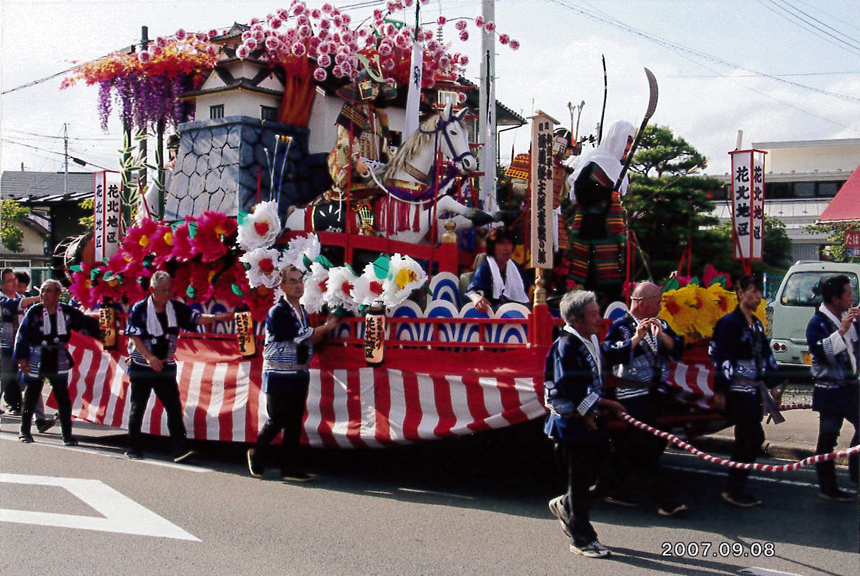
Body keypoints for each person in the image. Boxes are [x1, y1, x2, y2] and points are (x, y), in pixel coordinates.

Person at [544, 289, 626, 559]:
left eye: (597, 313)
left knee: (606, 471)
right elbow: (567, 385)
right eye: (593, 315)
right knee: (580, 481)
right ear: (576, 320)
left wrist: (604, 404)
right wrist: (588, 413)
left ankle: (567, 506)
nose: (599, 319)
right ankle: (581, 538)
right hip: (572, 424)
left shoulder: (588, 339)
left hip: (590, 416)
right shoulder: (567, 345)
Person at [125, 270, 233, 462]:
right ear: (152, 290)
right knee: (138, 407)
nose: (167, 294)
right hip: (142, 366)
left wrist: (216, 318)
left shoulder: (174, 308)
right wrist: (149, 357)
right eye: (163, 290)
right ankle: (133, 447)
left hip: (165, 365)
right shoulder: (140, 309)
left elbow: (195, 318)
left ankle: (179, 449)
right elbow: (135, 336)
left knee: (173, 407)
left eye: (169, 290)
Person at [601, 281, 687, 516]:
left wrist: (663, 338)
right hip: (632, 393)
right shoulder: (622, 325)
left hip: (656, 392)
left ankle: (612, 487)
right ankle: (665, 501)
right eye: (656, 302)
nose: (660, 307)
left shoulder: (663, 324)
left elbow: (678, 349)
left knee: (647, 443)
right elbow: (610, 352)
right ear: (641, 303)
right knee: (645, 444)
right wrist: (637, 338)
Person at [247, 265, 339, 481]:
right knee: (278, 418)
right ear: (282, 286)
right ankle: (257, 452)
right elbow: (300, 335)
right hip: (279, 372)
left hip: (299, 372)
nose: (298, 285)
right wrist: (327, 326)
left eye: (300, 281)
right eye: (292, 281)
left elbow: (307, 338)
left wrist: (326, 329)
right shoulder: (278, 311)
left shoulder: (301, 311)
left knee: (294, 421)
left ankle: (289, 468)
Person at [709, 275, 782, 507]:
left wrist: (774, 385)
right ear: (739, 293)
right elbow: (722, 358)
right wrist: (720, 390)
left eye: (759, 293)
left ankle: (735, 486)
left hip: (753, 390)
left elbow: (766, 356)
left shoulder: (757, 324)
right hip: (736, 390)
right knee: (750, 436)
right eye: (752, 292)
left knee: (751, 437)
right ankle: (733, 488)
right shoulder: (730, 323)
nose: (757, 297)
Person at [13, 279, 100, 445]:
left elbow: (86, 323)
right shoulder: (34, 311)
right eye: (42, 291)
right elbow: (22, 335)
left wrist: (105, 327)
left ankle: (67, 435)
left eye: (48, 291)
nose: (44, 294)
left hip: (58, 357)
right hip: (37, 356)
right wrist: (22, 359)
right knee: (31, 394)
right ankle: (24, 431)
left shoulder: (67, 312)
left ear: (58, 294)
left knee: (63, 397)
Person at [566, 120, 636, 298]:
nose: (629, 147)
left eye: (632, 142)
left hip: (611, 231)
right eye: (627, 141)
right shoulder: (596, 162)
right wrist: (606, 194)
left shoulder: (619, 168)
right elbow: (582, 191)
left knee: (612, 278)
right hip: (593, 230)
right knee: (592, 279)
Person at [805, 274, 859, 501]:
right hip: (829, 390)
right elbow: (822, 353)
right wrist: (842, 331)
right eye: (848, 294)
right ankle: (827, 487)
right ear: (835, 298)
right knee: (828, 437)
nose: (852, 298)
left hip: (851, 387)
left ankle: (856, 474)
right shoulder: (817, 323)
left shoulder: (849, 317)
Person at [466, 227, 530, 313]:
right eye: (502, 244)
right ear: (492, 247)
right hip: (493, 315)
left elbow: (527, 288)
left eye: (509, 243)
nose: (507, 248)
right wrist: (476, 297)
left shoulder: (515, 267)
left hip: (515, 312)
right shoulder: (485, 268)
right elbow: (471, 290)